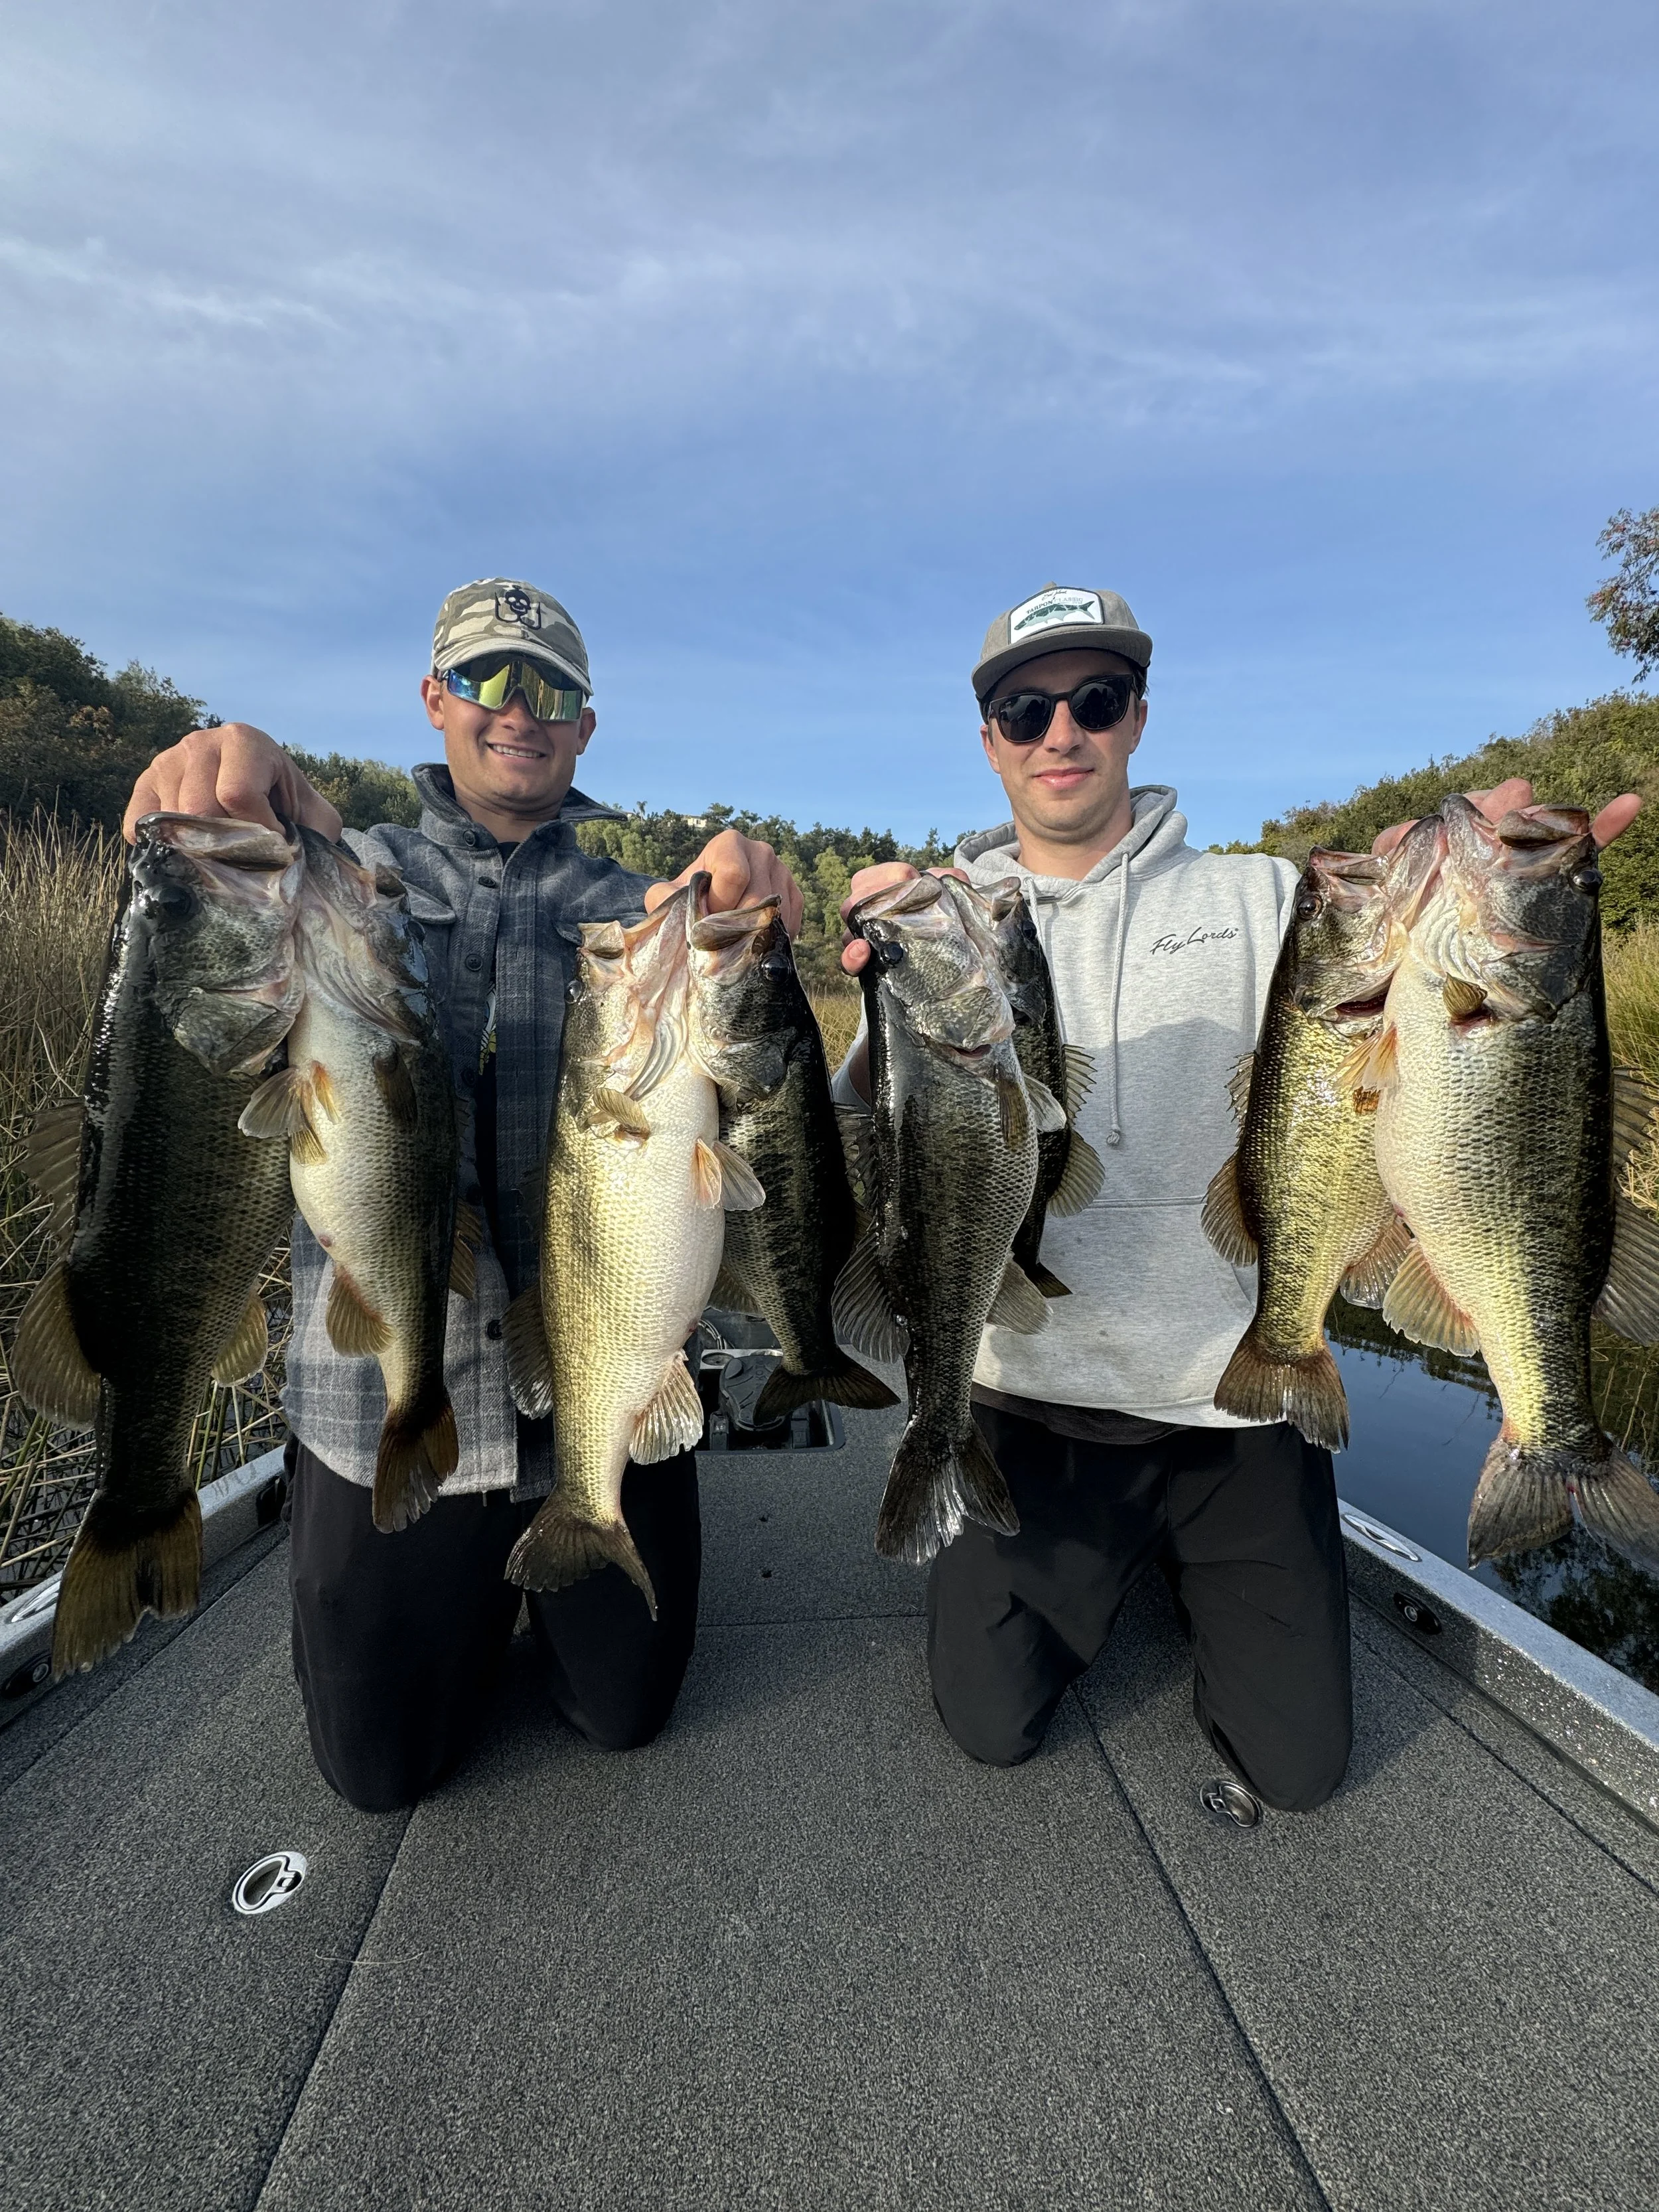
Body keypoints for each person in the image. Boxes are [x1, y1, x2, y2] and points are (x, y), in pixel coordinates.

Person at [837, 581, 1640, 1820]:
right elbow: (883, 1137)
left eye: (1094, 701)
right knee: (989, 1729)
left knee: (1299, 1768)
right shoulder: (943, 921)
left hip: (1236, 1401)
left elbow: (1390, 1016)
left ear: (1138, 719)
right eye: (1026, 709)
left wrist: (1460, 883)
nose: (1063, 733)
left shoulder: (1268, 900)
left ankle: (1186, 1568)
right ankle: (1111, 1571)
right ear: (988, 737)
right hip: (1030, 1401)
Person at [125, 577, 802, 1811]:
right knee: (379, 1777)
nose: (519, 710)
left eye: (552, 690)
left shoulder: (633, 920)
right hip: (376, 1401)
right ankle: (454, 1603)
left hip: (596, 1382)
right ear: (434, 699)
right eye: (488, 678)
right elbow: (225, 919)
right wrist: (239, 768)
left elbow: (757, 1093)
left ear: (586, 726)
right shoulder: (345, 879)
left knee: (625, 1717)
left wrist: (750, 927)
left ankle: (542, 1571)